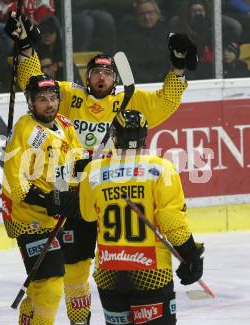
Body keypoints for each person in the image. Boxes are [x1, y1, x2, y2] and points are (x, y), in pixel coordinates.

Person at [5, 12, 196, 325]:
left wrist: (179, 69)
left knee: (111, 265)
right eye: (95, 72)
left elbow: (166, 103)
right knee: (74, 271)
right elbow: (34, 82)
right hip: (71, 197)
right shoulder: (68, 96)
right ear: (87, 76)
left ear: (115, 79)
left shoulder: (127, 100)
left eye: (107, 74)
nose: (101, 78)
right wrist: (25, 47)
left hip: (107, 195)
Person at [79, 110, 205, 325]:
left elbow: (88, 215)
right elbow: (171, 222)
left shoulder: (93, 171)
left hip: (110, 273)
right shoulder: (160, 168)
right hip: (151, 272)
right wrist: (191, 255)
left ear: (114, 136)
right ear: (144, 135)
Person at [2, 74, 85, 325]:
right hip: (30, 217)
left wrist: (85, 177)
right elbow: (16, 185)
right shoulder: (26, 132)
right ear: (30, 103)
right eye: (42, 99)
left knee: (43, 283)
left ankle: (28, 316)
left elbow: (76, 161)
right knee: (50, 285)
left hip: (57, 212)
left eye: (53, 98)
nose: (49, 104)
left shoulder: (64, 123)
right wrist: (50, 200)